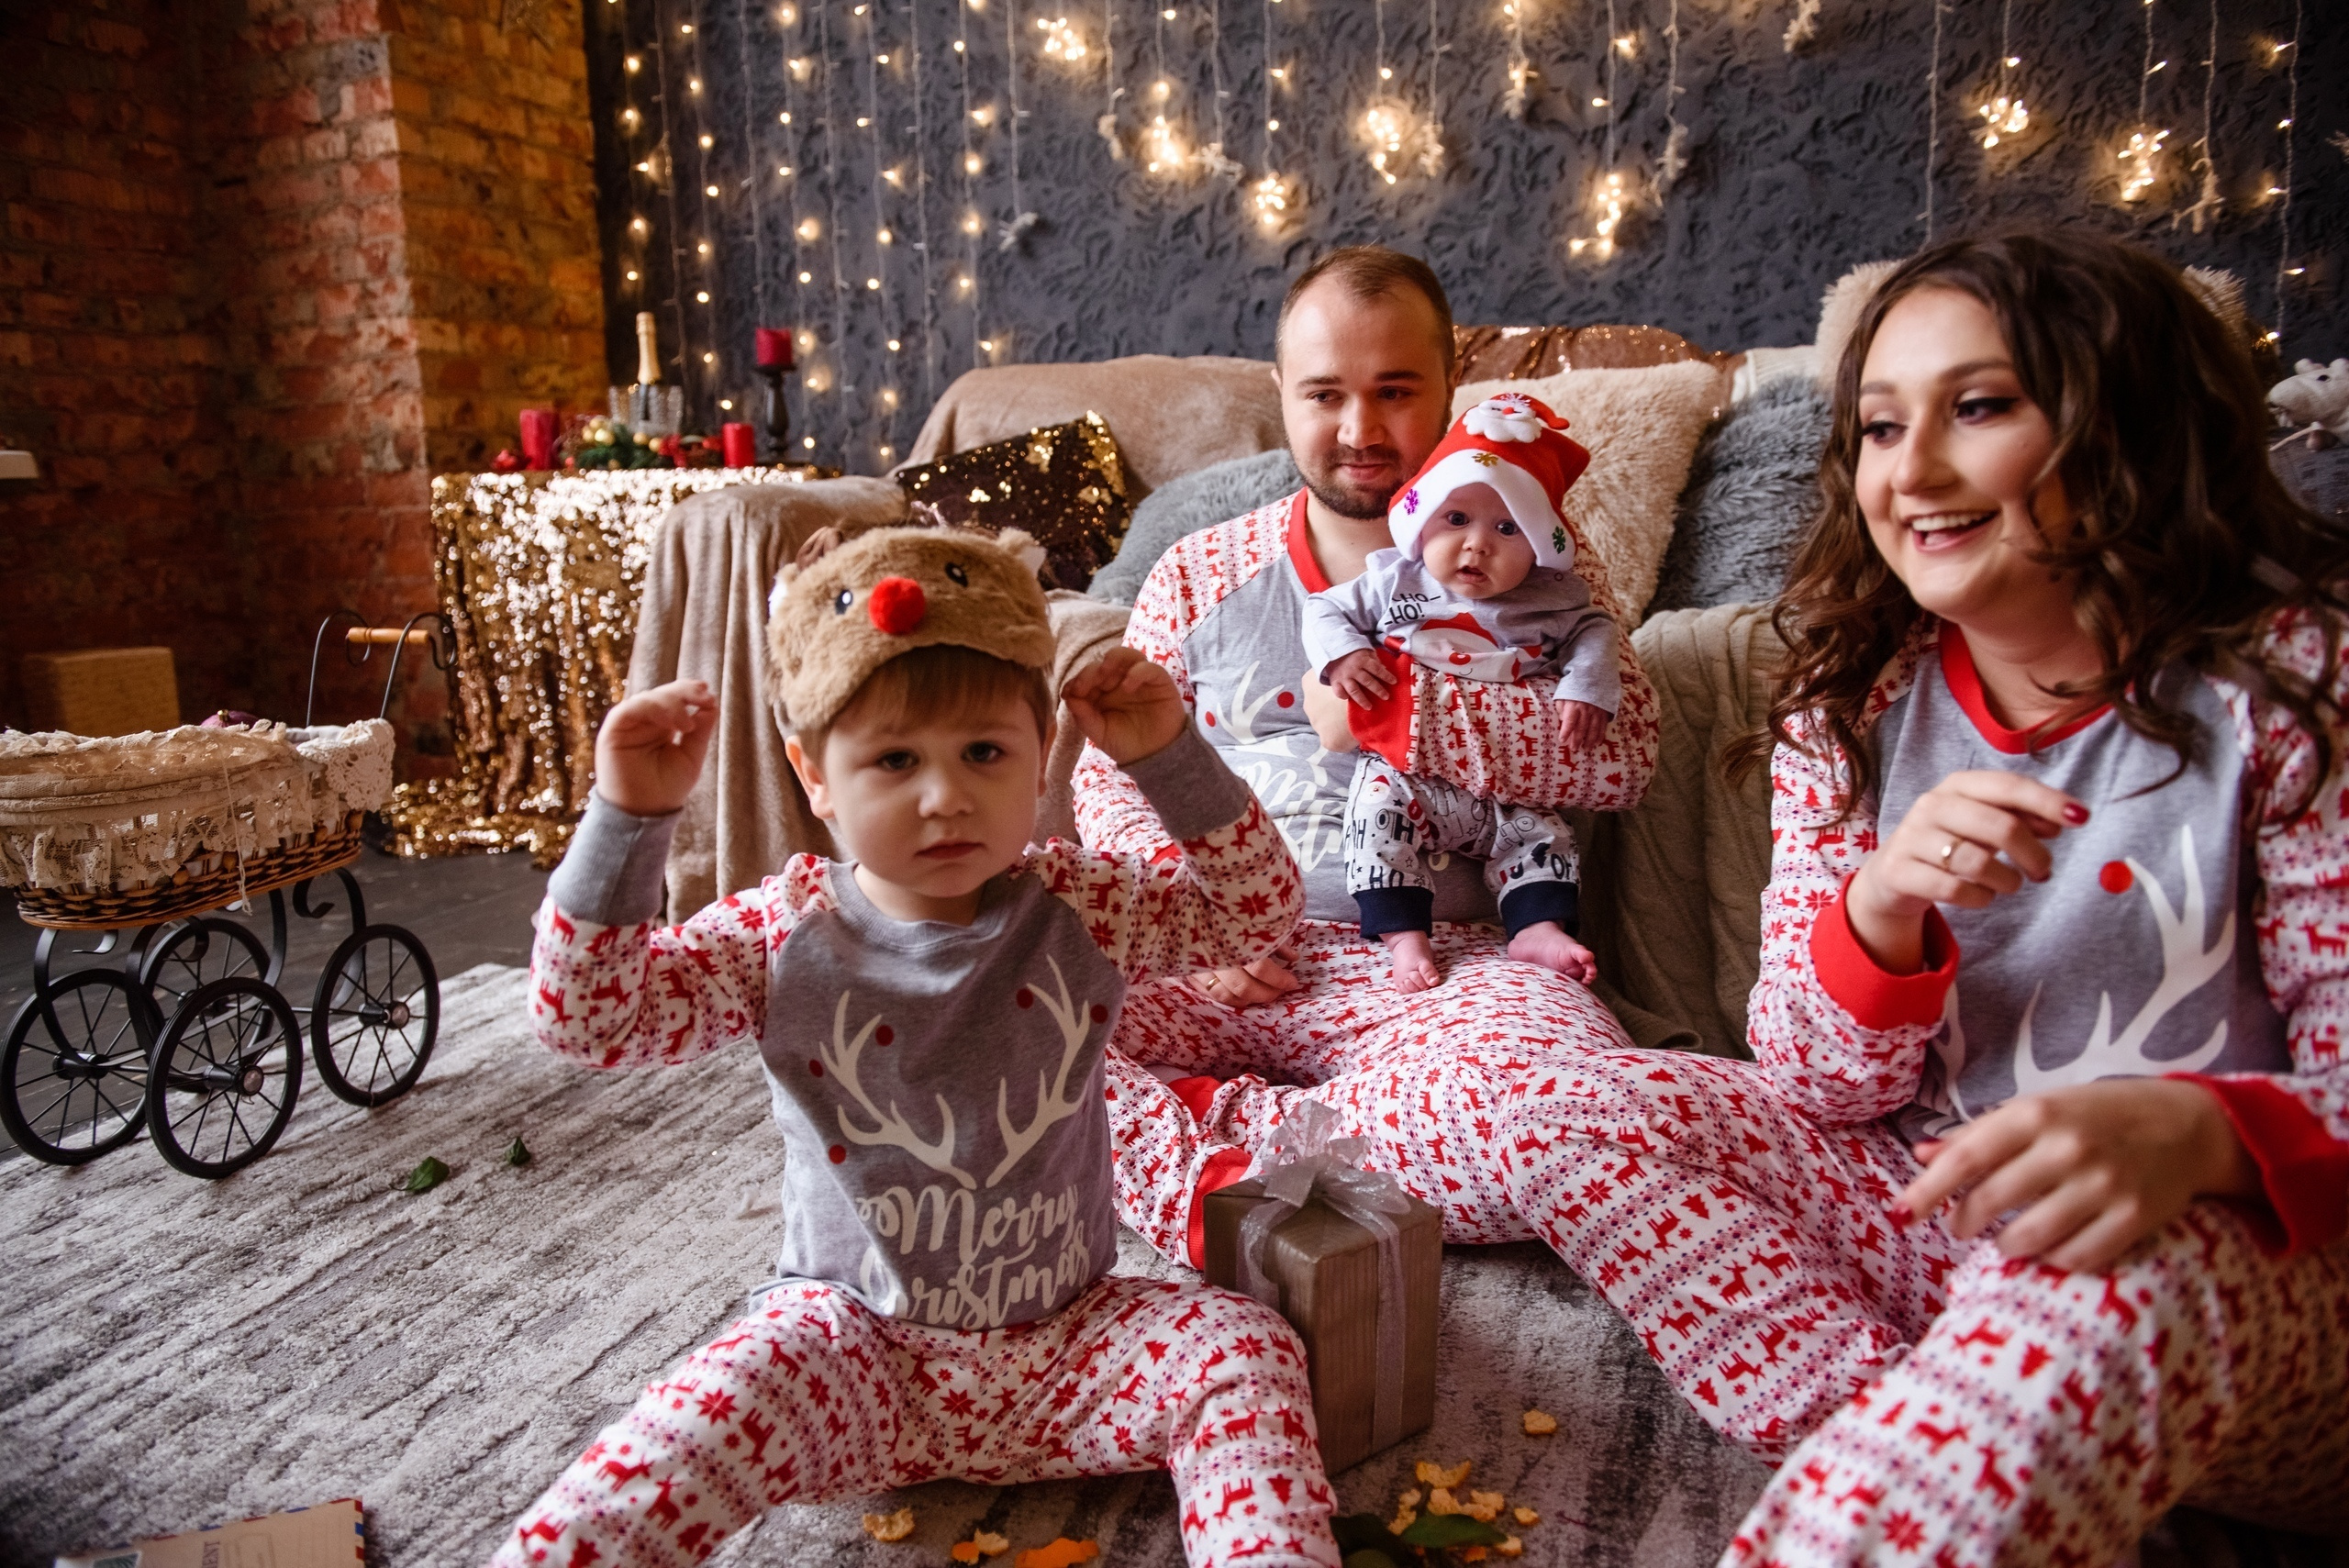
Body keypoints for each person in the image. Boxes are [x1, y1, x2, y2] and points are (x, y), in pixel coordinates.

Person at [1500, 229, 2349, 1565]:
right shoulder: (1854, 706)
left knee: (2104, 1281)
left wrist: (2199, 1138)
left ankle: (1980, 1438)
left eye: (1983, 406)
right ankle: (1920, 1431)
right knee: (1568, 1100)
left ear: (2133, 422)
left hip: (2234, 1279)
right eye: (1882, 426)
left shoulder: (2296, 685)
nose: (1914, 470)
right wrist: (1882, 905)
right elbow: (1813, 1084)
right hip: (1939, 1225)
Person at [495, 527, 1340, 1568]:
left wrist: (1169, 755)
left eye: (983, 752)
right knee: (673, 1433)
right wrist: (628, 819)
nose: (944, 796)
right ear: (815, 774)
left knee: (1246, 1349)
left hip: (1067, 1341)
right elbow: (589, 1019)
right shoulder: (779, 932)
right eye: (894, 760)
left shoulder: (1079, 901)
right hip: (851, 1346)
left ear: (1040, 760)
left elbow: (1251, 914)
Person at [1073, 245, 1659, 1272]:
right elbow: (1109, 776)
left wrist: (1397, 716)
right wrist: (1182, 913)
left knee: (1572, 1118)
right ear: (1280, 395)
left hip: (1442, 966)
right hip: (1220, 957)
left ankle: (1247, 1137)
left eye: (1394, 391)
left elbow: (1625, 758)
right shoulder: (1197, 569)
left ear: (1448, 389)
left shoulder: (1519, 554)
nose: (1358, 430)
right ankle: (1310, 1142)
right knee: (992, 1025)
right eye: (1325, 394)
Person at [1301, 390, 1619, 994]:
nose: (1477, 544)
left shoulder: (1549, 601)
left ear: (1539, 546)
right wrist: (1343, 651)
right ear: (1422, 521)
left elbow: (1595, 632)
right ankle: (1403, 934)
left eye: (1506, 527)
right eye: (1455, 519)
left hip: (1507, 781)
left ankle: (1536, 926)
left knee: (1544, 834)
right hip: (1405, 770)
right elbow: (1324, 608)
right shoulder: (1400, 582)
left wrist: (1588, 685)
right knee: (1373, 817)